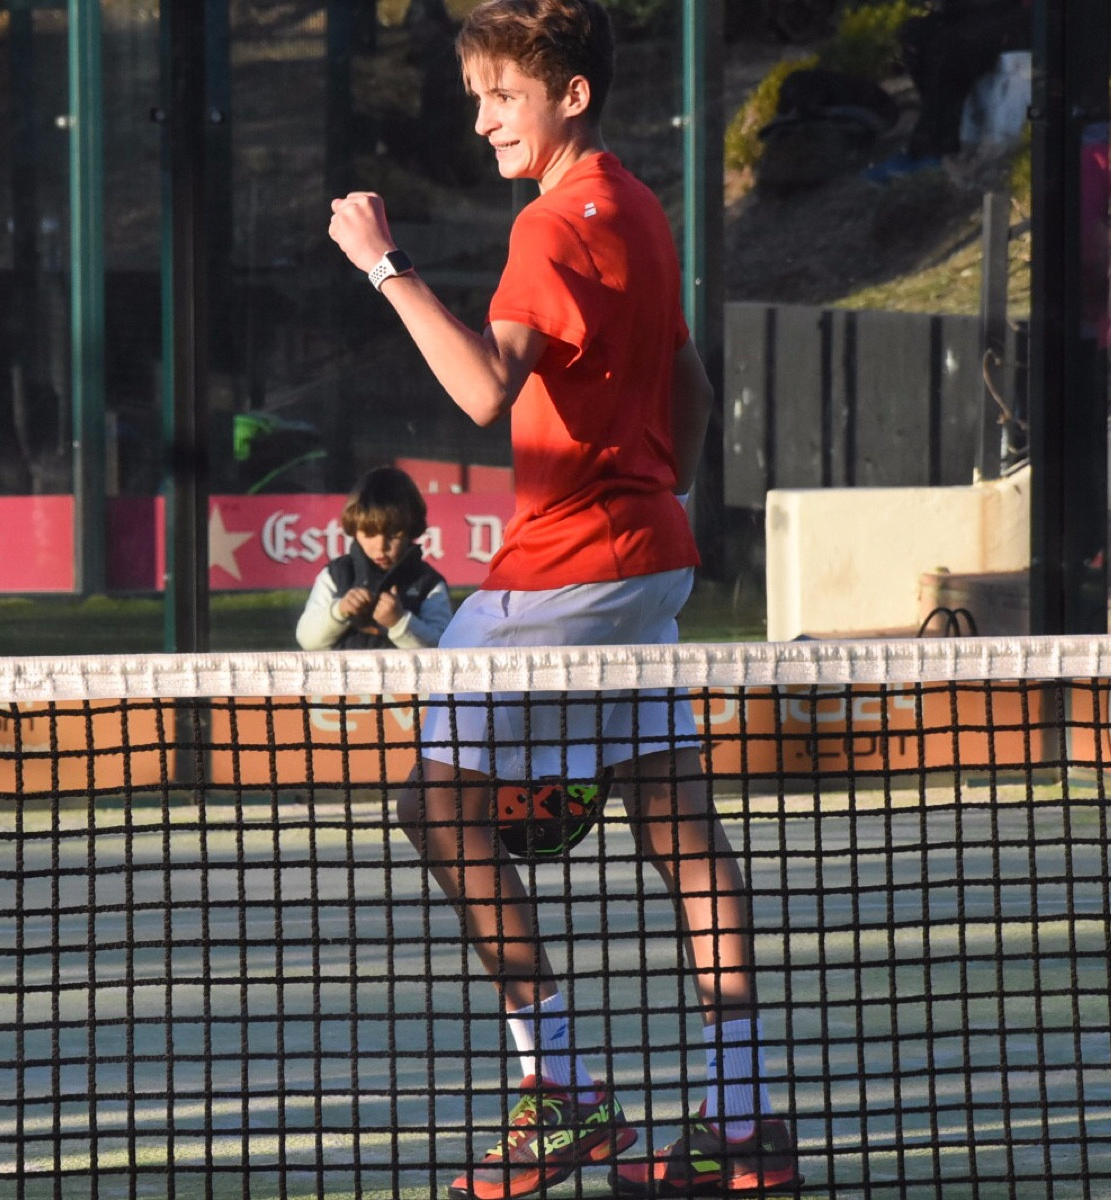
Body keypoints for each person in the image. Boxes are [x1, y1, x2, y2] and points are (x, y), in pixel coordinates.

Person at [326, 3, 798, 1197]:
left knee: (436, 808)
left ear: (570, 95)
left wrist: (384, 266)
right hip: (651, 561)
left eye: (503, 96)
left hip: (567, 571)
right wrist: (656, 493)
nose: (484, 119)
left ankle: (562, 1091)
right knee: (680, 829)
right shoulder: (636, 207)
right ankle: (739, 1123)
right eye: (478, 97)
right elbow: (690, 384)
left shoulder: (546, 225)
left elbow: (484, 389)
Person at [295, 465, 453, 651]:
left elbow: (444, 647)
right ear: (354, 530)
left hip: (406, 671)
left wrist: (399, 622)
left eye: (393, 535)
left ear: (411, 530)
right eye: (369, 534)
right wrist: (339, 610)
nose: (380, 546)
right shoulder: (336, 575)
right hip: (345, 671)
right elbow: (307, 640)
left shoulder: (428, 584)